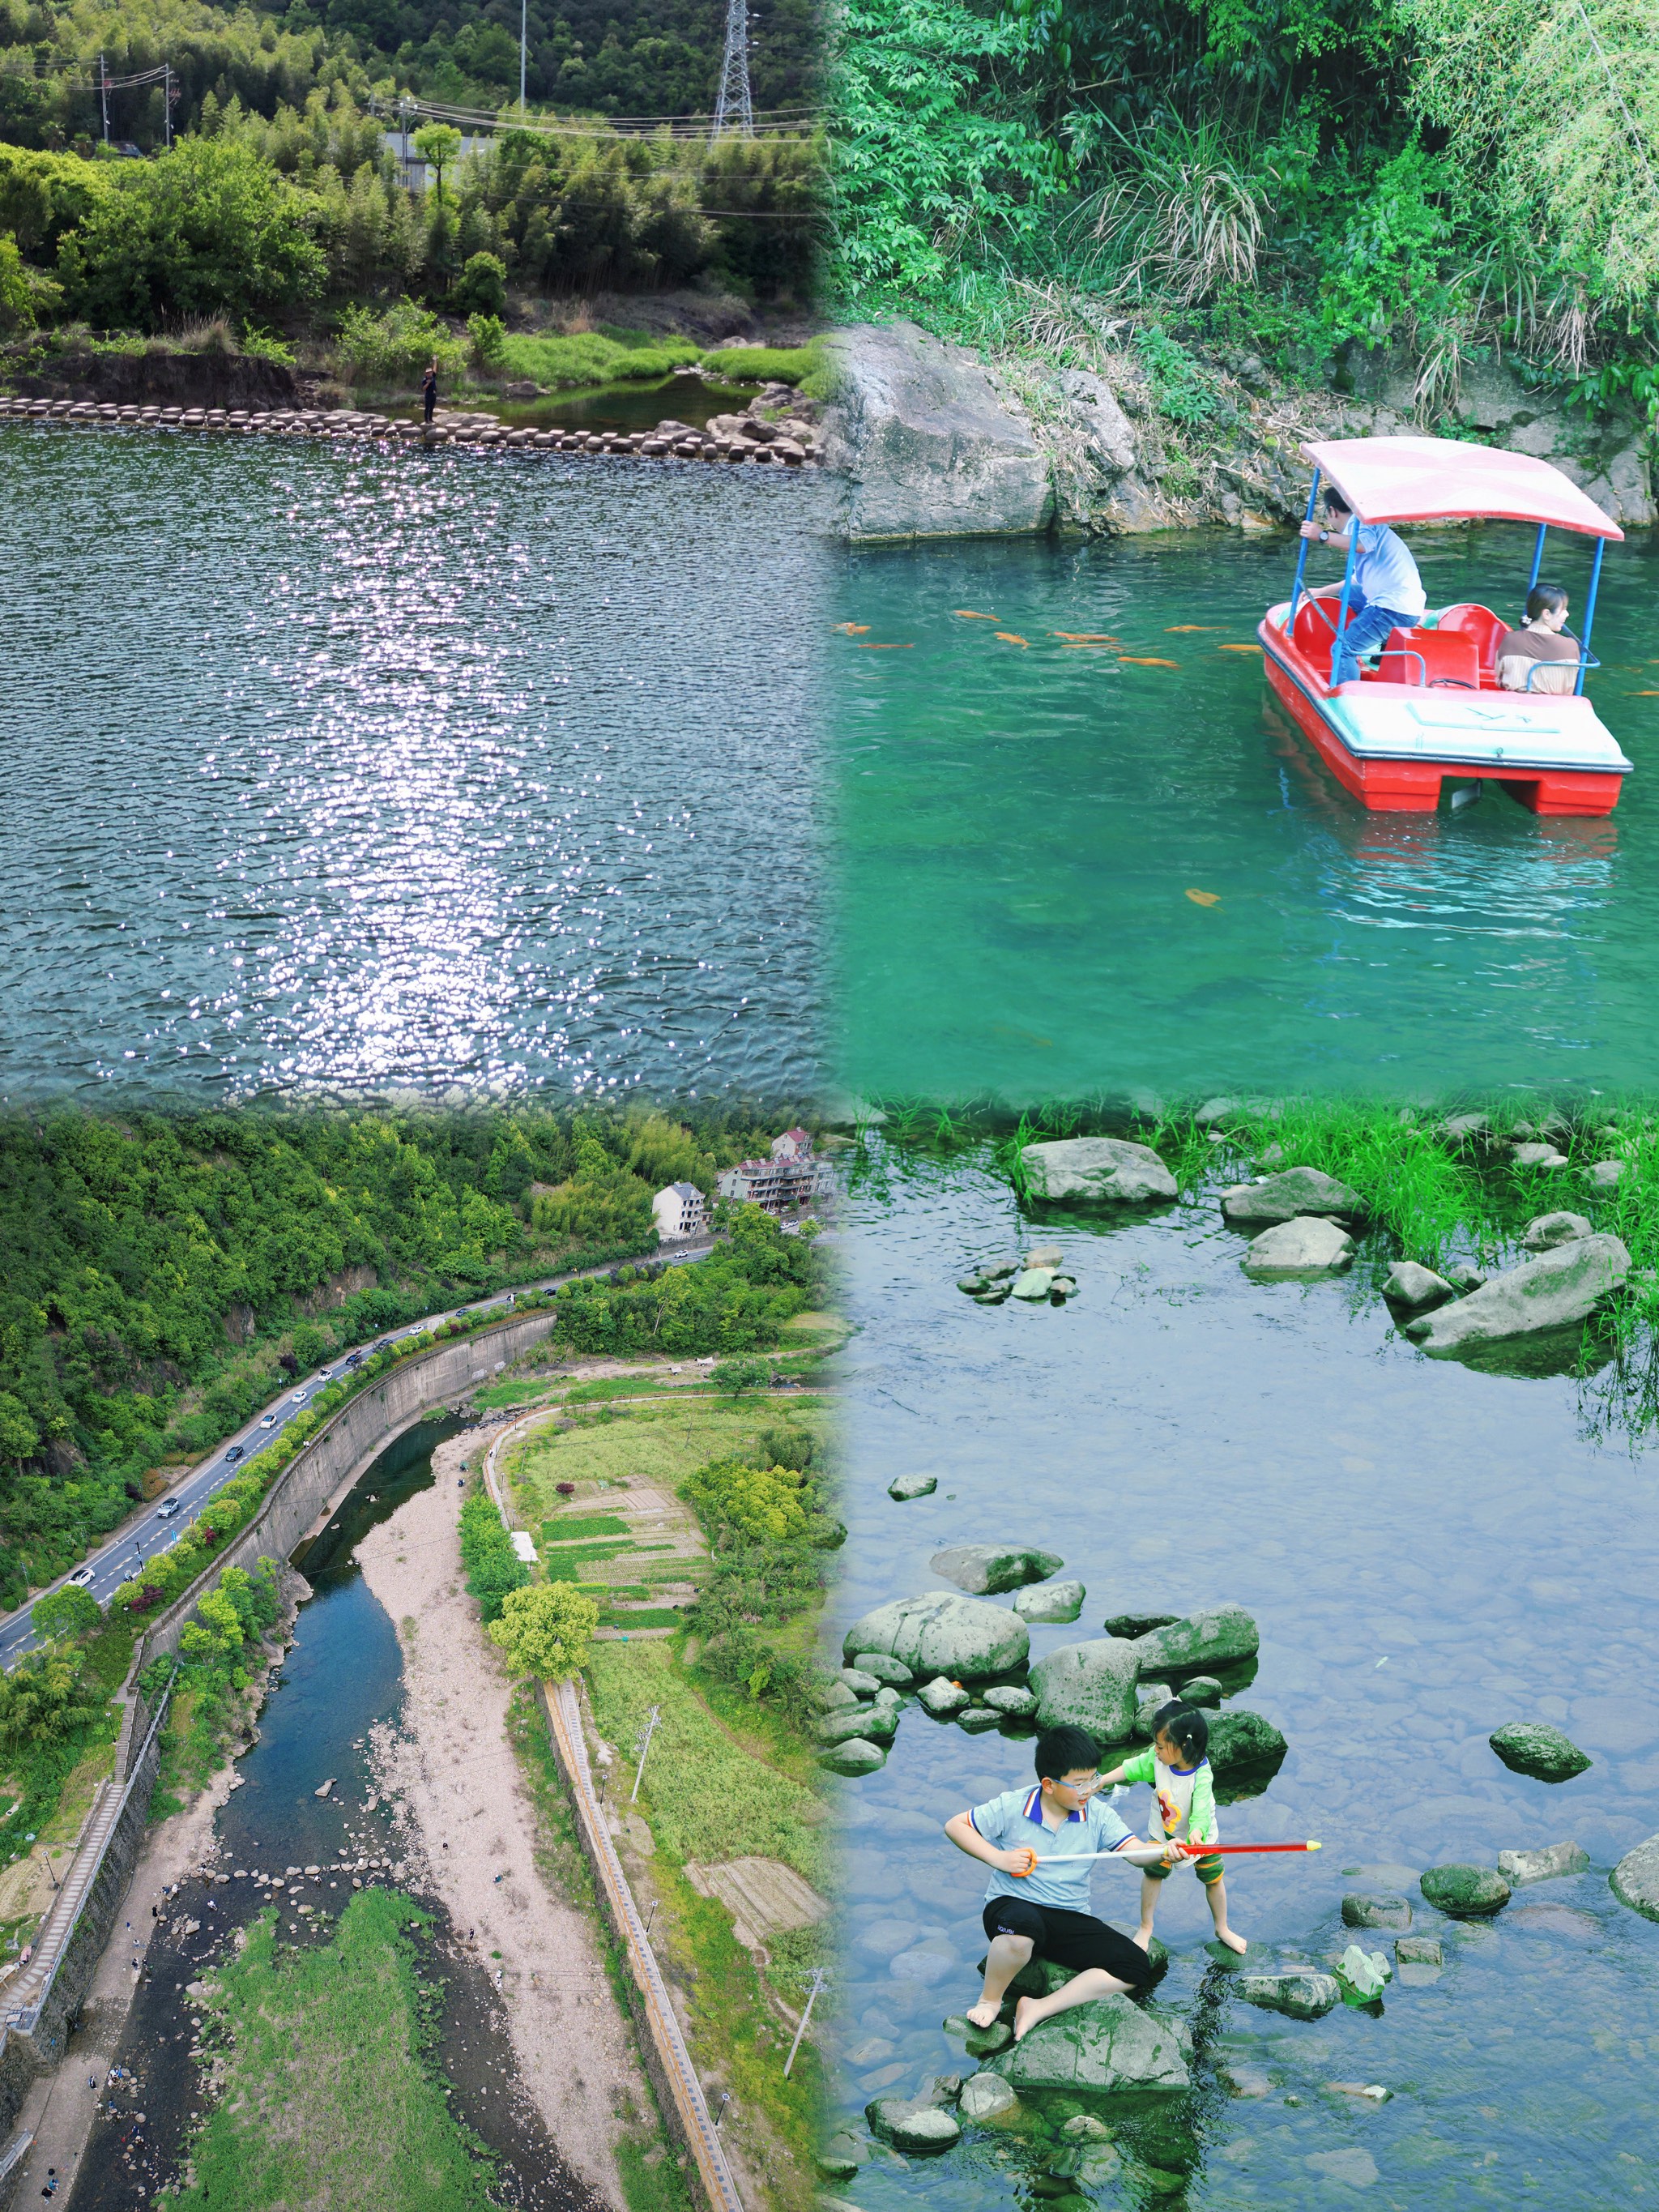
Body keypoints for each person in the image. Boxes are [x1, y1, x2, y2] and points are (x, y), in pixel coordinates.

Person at [943, 1724, 1190, 2043]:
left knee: (1135, 1966)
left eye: (1094, 1779)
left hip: (1068, 1916)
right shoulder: (1014, 1805)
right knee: (1021, 1930)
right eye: (1079, 1784)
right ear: (1048, 1784)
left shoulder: (1098, 1815)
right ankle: (989, 2000)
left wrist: (1164, 1851)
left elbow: (1134, 1853)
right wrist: (998, 1858)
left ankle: (1038, 2007)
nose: (1089, 1790)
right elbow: (955, 1826)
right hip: (1012, 1906)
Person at [1101, 1702, 1246, 1955]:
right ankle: (1146, 1927)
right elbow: (1131, 1768)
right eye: (1155, 1745)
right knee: (1153, 1873)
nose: (1155, 1751)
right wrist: (1101, 1780)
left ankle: (1222, 1927)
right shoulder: (1157, 1760)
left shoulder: (1202, 1774)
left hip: (1199, 1837)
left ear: (1184, 1747)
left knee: (1213, 1879)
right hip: (1163, 1830)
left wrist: (1196, 1836)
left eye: (1160, 1746)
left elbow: (1200, 1811)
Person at [1299, 488, 1427, 684]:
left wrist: (1322, 536)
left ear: (1332, 512)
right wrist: (1321, 591)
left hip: (1392, 609)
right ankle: (1383, 645)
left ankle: (1348, 694)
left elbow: (1364, 544)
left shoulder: (1360, 525)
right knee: (1349, 593)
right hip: (1406, 605)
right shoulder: (1366, 524)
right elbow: (1357, 580)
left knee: (1342, 649)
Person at [1495, 583, 1580, 696]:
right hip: (1555, 708)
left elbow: (1498, 676)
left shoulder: (1510, 640)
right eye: (1563, 609)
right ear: (1547, 614)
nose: (1567, 614)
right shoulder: (1570, 646)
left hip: (1514, 707)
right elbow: (1569, 689)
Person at [421, 358, 438, 425]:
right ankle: (426, 420)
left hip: (433, 394)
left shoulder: (433, 376)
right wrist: (428, 383)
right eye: (428, 373)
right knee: (427, 408)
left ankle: (430, 419)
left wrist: (435, 360)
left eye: (431, 372)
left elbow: (435, 368)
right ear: (426, 374)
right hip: (428, 395)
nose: (430, 373)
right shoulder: (424, 380)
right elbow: (423, 389)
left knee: (432, 407)